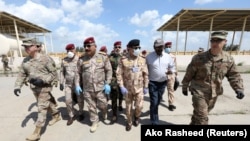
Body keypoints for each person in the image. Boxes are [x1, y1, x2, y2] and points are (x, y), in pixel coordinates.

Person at [181, 30, 245, 125]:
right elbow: (189, 73)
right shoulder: (199, 58)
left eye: (218, 40)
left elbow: (233, 75)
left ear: (225, 42)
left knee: (199, 115)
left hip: (214, 93)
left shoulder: (228, 59)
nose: (215, 43)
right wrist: (184, 86)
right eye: (212, 40)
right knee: (202, 117)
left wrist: (238, 88)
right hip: (199, 91)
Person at [13, 38, 60, 141]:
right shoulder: (25, 60)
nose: (26, 48)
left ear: (35, 46)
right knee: (47, 103)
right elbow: (22, 74)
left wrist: (43, 81)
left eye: (28, 46)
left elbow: (54, 74)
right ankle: (56, 115)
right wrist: (17, 86)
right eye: (24, 46)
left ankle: (36, 132)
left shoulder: (46, 59)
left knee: (41, 108)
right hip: (34, 88)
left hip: (44, 87)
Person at [75, 37, 112, 133]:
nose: (86, 48)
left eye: (89, 46)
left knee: (103, 104)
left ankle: (104, 113)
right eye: (85, 46)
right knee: (91, 107)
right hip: (87, 89)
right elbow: (77, 73)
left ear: (95, 46)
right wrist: (77, 85)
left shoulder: (103, 57)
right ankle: (95, 122)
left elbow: (109, 70)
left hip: (100, 88)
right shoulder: (82, 59)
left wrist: (107, 83)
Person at [116, 39, 149, 131]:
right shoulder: (123, 59)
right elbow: (119, 74)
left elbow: (145, 74)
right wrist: (121, 86)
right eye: (135, 48)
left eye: (139, 47)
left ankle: (137, 116)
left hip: (139, 88)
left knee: (139, 106)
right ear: (129, 49)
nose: (137, 49)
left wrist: (146, 86)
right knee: (128, 108)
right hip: (128, 88)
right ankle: (129, 122)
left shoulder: (142, 59)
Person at [146, 38, 176, 125]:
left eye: (161, 47)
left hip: (163, 83)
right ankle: (154, 121)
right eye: (158, 47)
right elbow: (145, 69)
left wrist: (171, 71)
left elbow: (172, 67)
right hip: (152, 83)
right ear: (154, 47)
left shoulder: (168, 57)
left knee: (157, 101)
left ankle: (152, 110)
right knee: (154, 102)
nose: (160, 49)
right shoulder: (149, 57)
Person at [59, 43, 84, 126]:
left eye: (71, 50)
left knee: (80, 100)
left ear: (75, 50)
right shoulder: (64, 60)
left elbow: (83, 72)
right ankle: (71, 115)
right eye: (68, 50)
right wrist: (61, 82)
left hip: (78, 85)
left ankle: (81, 113)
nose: (70, 52)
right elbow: (62, 72)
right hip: (68, 84)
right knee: (68, 100)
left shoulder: (80, 60)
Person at [109, 41, 124, 124]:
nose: (117, 48)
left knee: (121, 94)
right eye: (116, 47)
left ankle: (120, 104)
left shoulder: (124, 57)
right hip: (114, 79)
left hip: (122, 79)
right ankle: (114, 114)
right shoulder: (110, 57)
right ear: (113, 48)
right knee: (114, 96)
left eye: (119, 47)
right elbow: (107, 69)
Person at [164, 41, 179, 111]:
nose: (168, 48)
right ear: (164, 48)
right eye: (167, 47)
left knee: (171, 90)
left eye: (169, 47)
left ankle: (171, 104)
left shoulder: (173, 56)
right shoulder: (161, 55)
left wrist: (176, 75)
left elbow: (175, 66)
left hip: (171, 75)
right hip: (162, 75)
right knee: (160, 90)